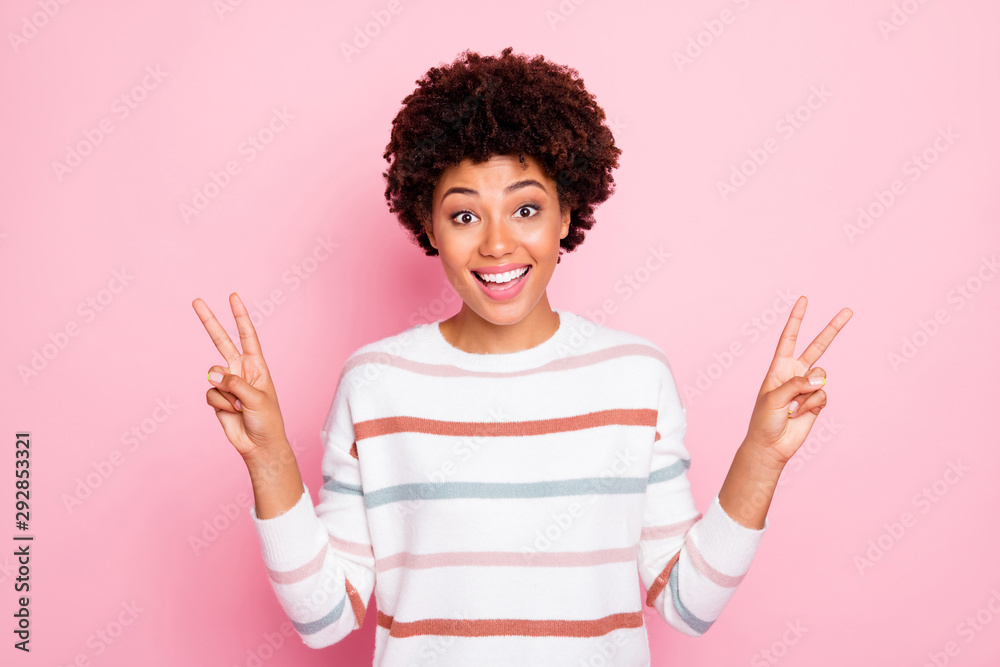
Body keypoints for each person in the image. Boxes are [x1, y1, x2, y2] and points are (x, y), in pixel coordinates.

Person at [192, 47, 852, 666]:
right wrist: (268, 455)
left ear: (567, 214)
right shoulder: (376, 385)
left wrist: (762, 455)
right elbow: (325, 615)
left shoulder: (634, 377)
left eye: (526, 209)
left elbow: (689, 601)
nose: (497, 244)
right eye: (464, 215)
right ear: (428, 226)